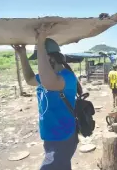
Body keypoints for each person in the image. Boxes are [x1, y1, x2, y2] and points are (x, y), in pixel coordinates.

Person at [12, 24, 81, 170]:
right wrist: (23, 55)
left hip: (62, 135)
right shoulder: (48, 77)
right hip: (51, 135)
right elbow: (30, 79)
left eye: (41, 59)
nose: (39, 63)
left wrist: (40, 43)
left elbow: (49, 83)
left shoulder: (66, 77)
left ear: (51, 59)